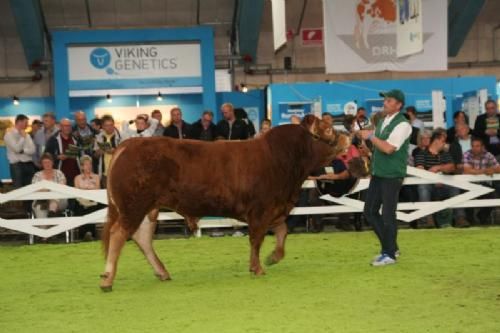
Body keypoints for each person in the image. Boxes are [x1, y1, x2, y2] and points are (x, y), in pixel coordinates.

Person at [359, 89, 412, 266]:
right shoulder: (382, 121)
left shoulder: (403, 124)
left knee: (388, 215)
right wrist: (369, 150)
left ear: (399, 105)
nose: (385, 103)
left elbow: (389, 148)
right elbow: (382, 148)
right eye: (385, 100)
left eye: (389, 100)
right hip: (379, 173)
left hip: (391, 175)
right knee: (370, 211)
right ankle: (391, 248)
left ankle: (389, 254)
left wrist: (371, 136)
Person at [415, 130, 458, 228]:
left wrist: (438, 168)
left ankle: (460, 217)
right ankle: (427, 219)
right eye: (443, 141)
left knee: (454, 187)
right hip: (429, 185)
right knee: (423, 187)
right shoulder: (421, 154)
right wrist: (434, 178)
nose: (445, 144)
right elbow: (419, 171)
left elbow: (452, 167)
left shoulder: (445, 154)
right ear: (436, 141)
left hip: (444, 185)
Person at [463, 137, 500, 224]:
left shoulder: (488, 155)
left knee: (493, 196)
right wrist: (485, 171)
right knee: (465, 196)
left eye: (477, 146)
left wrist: (493, 170)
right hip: (469, 185)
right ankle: (470, 220)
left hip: (484, 185)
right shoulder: (467, 154)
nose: (474, 148)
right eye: (473, 146)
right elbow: (467, 170)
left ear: (482, 147)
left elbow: (498, 168)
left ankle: (482, 217)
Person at [44, 118, 81, 186]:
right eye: (65, 126)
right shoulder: (53, 139)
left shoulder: (75, 139)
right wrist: (57, 157)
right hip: (60, 175)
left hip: (75, 174)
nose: (67, 128)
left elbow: (80, 154)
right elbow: (46, 156)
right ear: (60, 127)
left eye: (69, 126)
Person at [4, 114, 36, 189]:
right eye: (26, 123)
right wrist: (22, 137)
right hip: (16, 165)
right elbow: (17, 149)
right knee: (18, 189)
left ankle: (29, 201)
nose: (27, 125)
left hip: (29, 164)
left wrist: (23, 150)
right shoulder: (9, 135)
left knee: (31, 188)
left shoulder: (27, 135)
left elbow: (33, 150)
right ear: (19, 122)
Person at [31, 153, 67, 218]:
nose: (47, 164)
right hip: (41, 202)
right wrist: (51, 188)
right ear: (42, 164)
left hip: (59, 200)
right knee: (42, 223)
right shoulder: (37, 175)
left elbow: (62, 186)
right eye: (45, 162)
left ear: (52, 163)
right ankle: (51, 214)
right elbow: (35, 188)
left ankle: (52, 211)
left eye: (49, 162)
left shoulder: (59, 173)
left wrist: (46, 189)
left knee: (55, 193)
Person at [74, 155, 101, 240]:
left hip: (93, 201)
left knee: (91, 208)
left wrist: (86, 189)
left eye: (90, 164)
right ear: (82, 167)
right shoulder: (77, 178)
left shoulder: (96, 177)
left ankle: (90, 234)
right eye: (86, 164)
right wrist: (86, 190)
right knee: (81, 208)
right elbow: (76, 191)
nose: (89, 166)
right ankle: (84, 235)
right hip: (81, 202)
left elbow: (97, 189)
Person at [93, 115, 121, 187]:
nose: (109, 127)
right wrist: (99, 152)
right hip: (104, 173)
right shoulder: (99, 137)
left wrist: (115, 151)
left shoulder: (121, 136)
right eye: (106, 125)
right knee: (104, 195)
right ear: (102, 126)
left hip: (118, 172)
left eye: (111, 125)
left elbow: (126, 154)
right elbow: (95, 155)